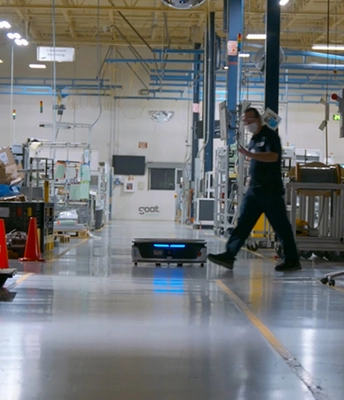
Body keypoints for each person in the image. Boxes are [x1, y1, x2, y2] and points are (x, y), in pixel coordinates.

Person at [208, 107, 301, 272]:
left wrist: (249, 154)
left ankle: (292, 260)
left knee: (281, 227)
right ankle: (229, 255)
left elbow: (273, 157)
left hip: (270, 191)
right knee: (243, 224)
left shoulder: (270, 136)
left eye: (250, 120)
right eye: (245, 121)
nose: (248, 123)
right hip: (255, 191)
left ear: (258, 119)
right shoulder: (254, 139)